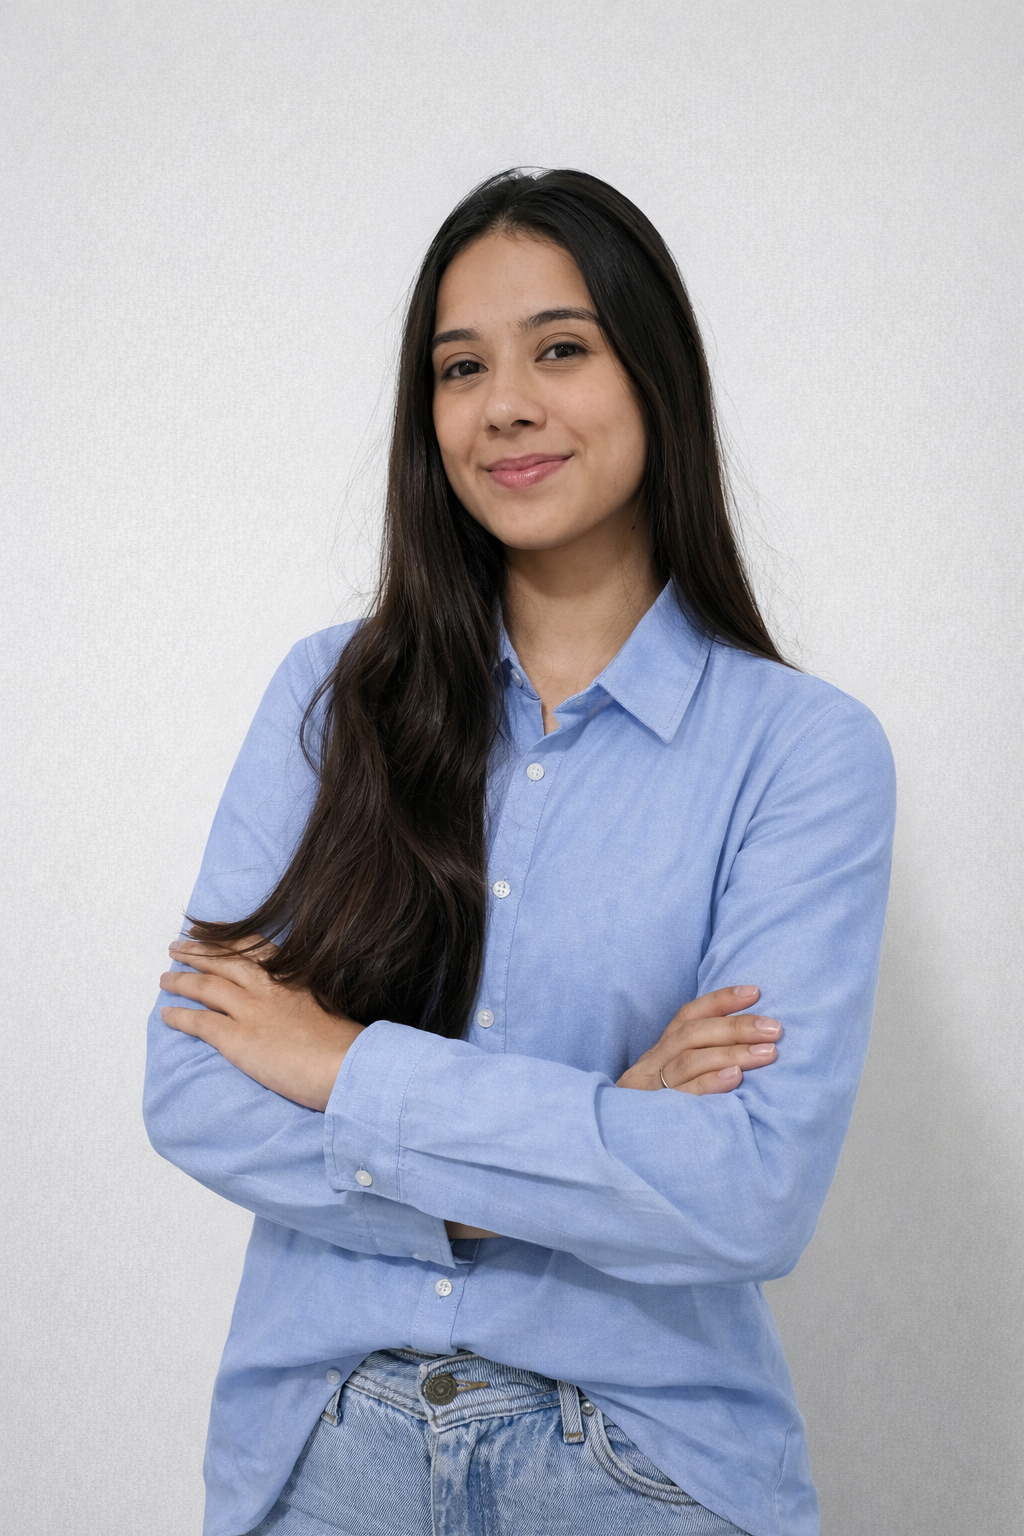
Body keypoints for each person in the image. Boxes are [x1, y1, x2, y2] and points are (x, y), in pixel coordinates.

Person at [145, 168, 896, 1536]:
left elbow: (750, 1192)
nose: (504, 406)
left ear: (656, 376)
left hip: (642, 1463)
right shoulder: (331, 701)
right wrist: (607, 1120)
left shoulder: (804, 753)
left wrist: (343, 1070)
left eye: (560, 349)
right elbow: (195, 1088)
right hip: (323, 1455)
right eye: (460, 367)